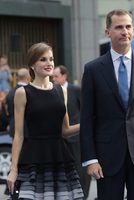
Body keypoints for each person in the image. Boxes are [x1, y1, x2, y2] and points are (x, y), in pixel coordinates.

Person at [80, 9, 134, 200]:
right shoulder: (93, 69)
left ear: (133, 31)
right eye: (119, 27)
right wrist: (90, 159)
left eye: (128, 27)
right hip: (106, 157)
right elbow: (86, 118)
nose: (125, 31)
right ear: (107, 32)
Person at [6, 42, 84, 199]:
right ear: (32, 65)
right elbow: (19, 135)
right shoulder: (22, 93)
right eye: (43, 59)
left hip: (59, 158)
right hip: (33, 158)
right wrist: (13, 169)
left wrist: (88, 124)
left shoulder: (61, 90)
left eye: (51, 59)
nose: (49, 63)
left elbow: (65, 130)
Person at [53, 65, 91, 199]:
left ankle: (83, 195)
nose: (54, 79)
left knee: (80, 169)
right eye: (53, 77)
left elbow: (86, 110)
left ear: (64, 76)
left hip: (75, 136)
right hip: (59, 138)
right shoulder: (53, 91)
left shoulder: (76, 90)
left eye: (56, 76)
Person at [6, 67, 30, 138]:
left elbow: (8, 111)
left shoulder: (10, 92)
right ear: (28, 77)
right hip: (27, 129)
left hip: (13, 127)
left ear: (17, 78)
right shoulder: (29, 92)